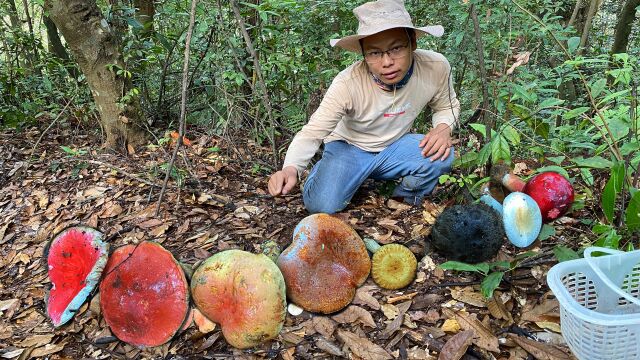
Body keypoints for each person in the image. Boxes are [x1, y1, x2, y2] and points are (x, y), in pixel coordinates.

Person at [268, 0, 460, 214]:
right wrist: (291, 168)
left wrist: (443, 128)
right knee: (322, 206)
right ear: (363, 54)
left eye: (396, 48)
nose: (387, 62)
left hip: (395, 147)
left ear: (412, 42)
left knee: (443, 154)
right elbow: (313, 132)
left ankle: (403, 201)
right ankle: (329, 172)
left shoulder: (435, 67)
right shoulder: (348, 83)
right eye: (374, 53)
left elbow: (446, 106)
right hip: (349, 148)